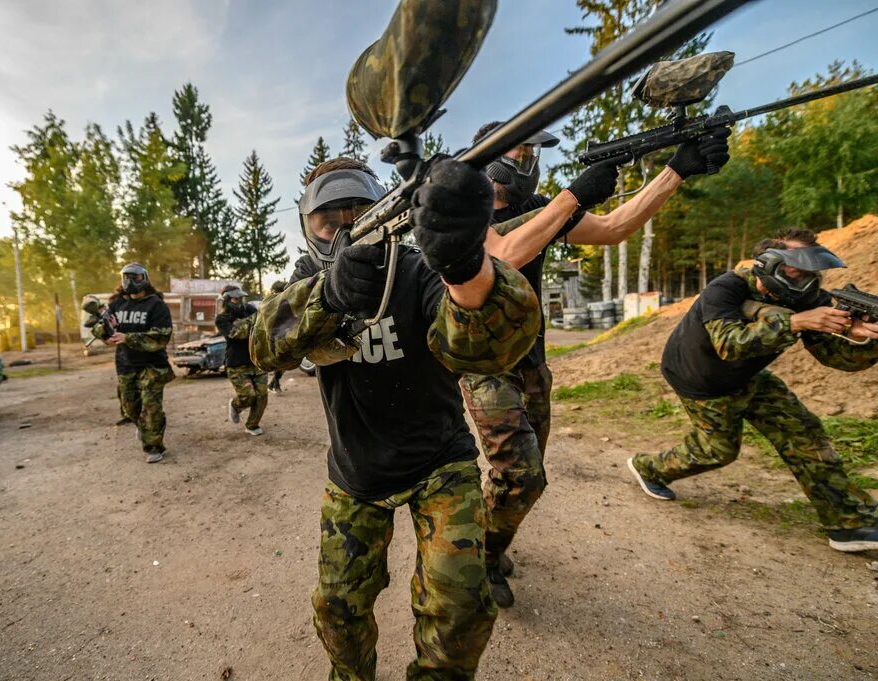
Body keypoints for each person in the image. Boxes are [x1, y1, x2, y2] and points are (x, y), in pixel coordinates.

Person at [252, 156, 541, 680]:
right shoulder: (307, 282)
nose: (345, 226)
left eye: (358, 210)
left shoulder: (417, 267)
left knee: (460, 608)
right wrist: (328, 295)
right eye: (328, 218)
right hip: (356, 473)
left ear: (384, 210)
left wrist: (463, 266)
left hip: (440, 462)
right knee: (337, 610)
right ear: (308, 227)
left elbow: (484, 349)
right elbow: (262, 344)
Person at [463, 121, 732, 607]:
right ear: (492, 157)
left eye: (531, 153)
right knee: (521, 474)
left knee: (527, 474)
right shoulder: (462, 205)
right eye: (518, 152)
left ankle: (490, 540)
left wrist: (676, 171)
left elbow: (613, 227)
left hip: (532, 361)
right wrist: (571, 198)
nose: (527, 162)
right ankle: (479, 559)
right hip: (485, 362)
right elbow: (502, 253)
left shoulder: (541, 207)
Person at [627, 230, 878, 551]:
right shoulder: (725, 289)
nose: (807, 278)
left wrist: (864, 338)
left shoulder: (807, 299)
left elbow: (836, 358)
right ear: (770, 264)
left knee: (805, 434)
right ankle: (647, 466)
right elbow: (729, 345)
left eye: (812, 270)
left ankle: (847, 523)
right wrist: (796, 323)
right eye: (796, 269)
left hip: (749, 377)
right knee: (717, 451)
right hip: (700, 378)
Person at [91, 263, 174, 464]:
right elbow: (101, 326)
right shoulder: (117, 304)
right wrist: (105, 335)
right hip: (126, 364)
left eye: (135, 278)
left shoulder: (156, 305)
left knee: (151, 406)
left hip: (152, 365)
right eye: (126, 277)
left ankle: (154, 446)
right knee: (130, 407)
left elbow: (162, 336)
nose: (130, 282)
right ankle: (143, 426)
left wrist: (128, 338)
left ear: (144, 278)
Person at [216, 285, 268, 436]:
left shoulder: (249, 310)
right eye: (235, 298)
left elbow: (262, 324)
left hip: (255, 360)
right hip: (236, 364)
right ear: (226, 300)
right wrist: (258, 316)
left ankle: (252, 425)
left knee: (262, 396)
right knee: (248, 396)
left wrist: (259, 316)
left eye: (241, 298)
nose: (239, 301)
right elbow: (236, 333)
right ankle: (235, 405)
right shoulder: (222, 319)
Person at [265, 280, 287, 393]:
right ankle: (275, 383)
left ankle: (274, 382)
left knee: (284, 364)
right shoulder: (268, 303)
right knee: (279, 363)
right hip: (273, 338)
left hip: (284, 337)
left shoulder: (286, 302)